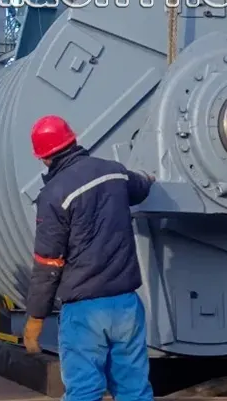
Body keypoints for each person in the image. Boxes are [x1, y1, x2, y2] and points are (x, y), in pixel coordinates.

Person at [22, 114, 156, 401]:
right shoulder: (114, 173)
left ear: (43, 157)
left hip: (85, 310)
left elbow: (48, 263)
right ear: (74, 140)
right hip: (126, 305)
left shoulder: (53, 194)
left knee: (84, 391)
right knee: (134, 389)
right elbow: (141, 187)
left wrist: (35, 318)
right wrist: (149, 177)